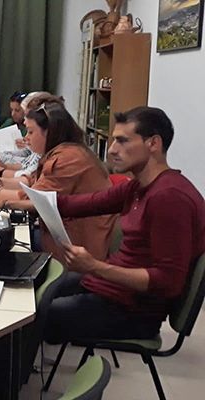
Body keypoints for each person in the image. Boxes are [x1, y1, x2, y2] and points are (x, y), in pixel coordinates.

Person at [43, 106, 205, 344]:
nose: (112, 150)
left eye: (122, 141)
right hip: (109, 288)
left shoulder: (169, 198)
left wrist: (94, 266)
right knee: (35, 287)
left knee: (35, 314)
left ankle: (9, 377)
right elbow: (78, 204)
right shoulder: (138, 186)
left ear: (153, 144)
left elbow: (167, 282)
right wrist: (8, 199)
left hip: (133, 311)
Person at [0, 101, 116, 262]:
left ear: (50, 132)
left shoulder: (67, 159)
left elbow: (36, 199)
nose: (26, 139)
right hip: (62, 236)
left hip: (78, 247)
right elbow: (30, 183)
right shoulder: (59, 153)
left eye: (30, 132)